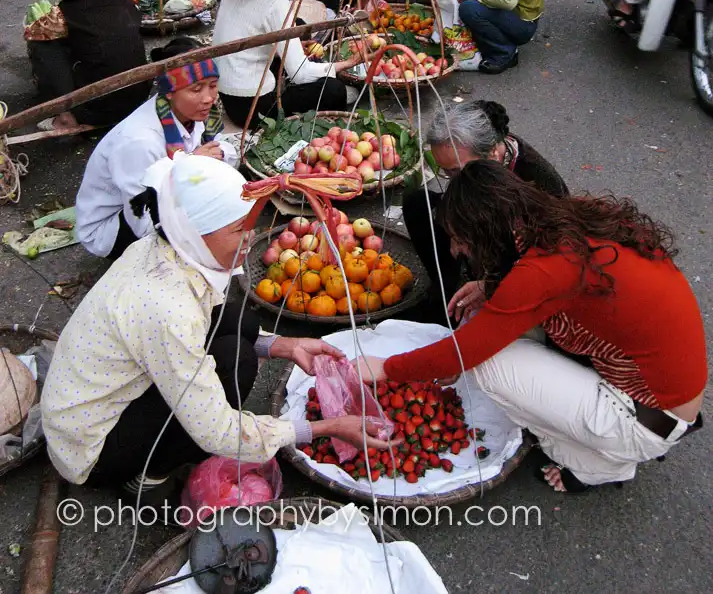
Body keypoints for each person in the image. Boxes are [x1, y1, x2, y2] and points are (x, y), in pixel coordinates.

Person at [45, 154, 395, 502]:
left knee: (236, 320)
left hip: (111, 389)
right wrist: (326, 428)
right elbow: (219, 431)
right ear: (195, 233)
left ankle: (164, 451)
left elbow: (207, 321)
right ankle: (148, 479)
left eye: (251, 225)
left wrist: (286, 346)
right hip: (93, 445)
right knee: (235, 363)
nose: (250, 239)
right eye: (238, 230)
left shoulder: (165, 248)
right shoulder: (167, 307)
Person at [358, 161, 706, 493]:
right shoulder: (558, 219)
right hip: (666, 391)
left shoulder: (545, 270)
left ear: (486, 233)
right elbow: (536, 289)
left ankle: (602, 464)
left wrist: (386, 368)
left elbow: (462, 353)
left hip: (647, 418)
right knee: (488, 324)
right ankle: (603, 437)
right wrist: (489, 287)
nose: (455, 250)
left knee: (487, 363)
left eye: (460, 239)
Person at [403, 99, 567, 319]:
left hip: (523, 255)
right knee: (417, 203)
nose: (451, 179)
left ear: (491, 154)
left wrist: (493, 283)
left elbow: (554, 256)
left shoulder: (536, 181)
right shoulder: (476, 151)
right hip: (482, 217)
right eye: (445, 172)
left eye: (454, 171)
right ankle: (446, 285)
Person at [75, 38, 235, 260]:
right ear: (169, 92)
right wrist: (190, 165)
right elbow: (143, 223)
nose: (209, 98)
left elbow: (221, 149)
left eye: (213, 86)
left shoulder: (195, 113)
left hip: (158, 193)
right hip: (114, 225)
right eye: (196, 89)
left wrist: (204, 161)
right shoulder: (140, 141)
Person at [213, 0, 367, 127]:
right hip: (256, 110)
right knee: (333, 90)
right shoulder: (275, 3)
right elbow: (300, 74)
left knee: (298, 28)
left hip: (229, 97)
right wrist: (347, 64)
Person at [28, 0, 149, 134]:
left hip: (100, 111)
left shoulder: (66, 11)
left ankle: (66, 115)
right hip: (139, 97)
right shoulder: (122, 0)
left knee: (44, 46)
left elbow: (36, 34)